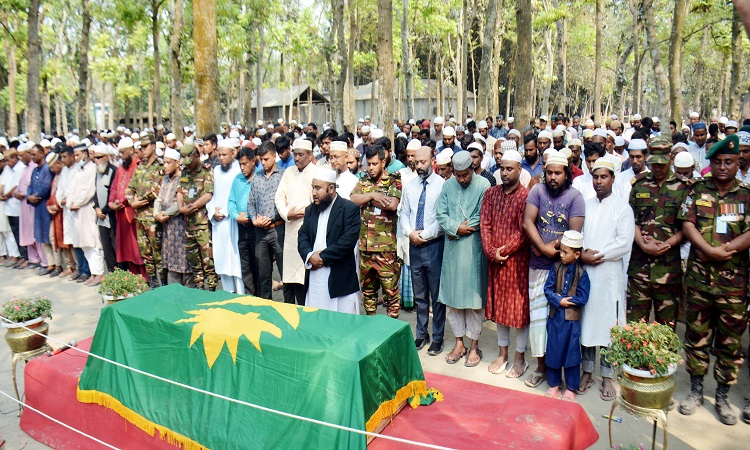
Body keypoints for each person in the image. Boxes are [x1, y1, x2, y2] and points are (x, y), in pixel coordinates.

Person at [677, 135, 750, 425]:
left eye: (729, 162)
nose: (723, 167)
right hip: (698, 280)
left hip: (733, 285)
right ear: (710, 163)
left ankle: (722, 397)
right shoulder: (697, 190)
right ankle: (696, 390)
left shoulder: (746, 194)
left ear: (737, 163)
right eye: (717, 162)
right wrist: (708, 250)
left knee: (730, 342)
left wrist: (727, 251)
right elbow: (687, 223)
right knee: (696, 336)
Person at [523, 151, 585, 388]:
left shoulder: (575, 197)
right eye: (549, 172)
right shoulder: (537, 190)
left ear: (566, 174)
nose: (552, 177)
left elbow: (573, 233)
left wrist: (552, 248)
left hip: (565, 268)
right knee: (538, 319)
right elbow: (528, 221)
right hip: (538, 266)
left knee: (562, 322)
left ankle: (563, 373)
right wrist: (541, 248)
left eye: (557, 173)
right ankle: (541, 367)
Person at [579, 157, 634, 401]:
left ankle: (608, 377)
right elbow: (576, 233)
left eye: (604, 177)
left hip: (609, 273)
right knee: (587, 324)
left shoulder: (622, 207)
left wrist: (596, 255)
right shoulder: (586, 205)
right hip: (587, 273)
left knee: (609, 327)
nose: (599, 181)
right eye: (596, 176)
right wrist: (582, 254)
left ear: (613, 178)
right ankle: (587, 372)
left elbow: (624, 243)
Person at [627, 136, 687, 326]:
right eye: (654, 164)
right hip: (640, 269)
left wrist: (666, 244)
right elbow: (631, 220)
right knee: (636, 328)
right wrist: (643, 244)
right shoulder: (639, 185)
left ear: (670, 159)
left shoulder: (684, 187)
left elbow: (687, 226)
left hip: (668, 269)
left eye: (662, 164)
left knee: (666, 329)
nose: (658, 168)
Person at [437, 150, 489, 367]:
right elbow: (440, 213)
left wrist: (463, 228)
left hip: (473, 248)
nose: (461, 179)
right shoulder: (448, 185)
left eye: (465, 175)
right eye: (458, 175)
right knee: (453, 299)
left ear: (472, 169)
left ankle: (474, 345)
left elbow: (482, 214)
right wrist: (455, 227)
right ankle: (459, 342)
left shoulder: (484, 185)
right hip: (452, 249)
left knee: (473, 300)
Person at [481, 149, 531, 378]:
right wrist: (491, 252)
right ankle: (502, 354)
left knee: (519, 311)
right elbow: (485, 225)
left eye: (510, 169)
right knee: (500, 309)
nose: (504, 173)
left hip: (517, 262)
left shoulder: (526, 196)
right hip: (496, 262)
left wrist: (504, 251)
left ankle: (520, 357)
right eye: (502, 168)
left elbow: (524, 230)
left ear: (520, 170)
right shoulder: (491, 194)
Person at [400, 146, 446, 355]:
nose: (418, 166)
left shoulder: (442, 185)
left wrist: (424, 235)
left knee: (436, 296)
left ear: (432, 160)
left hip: (433, 245)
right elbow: (404, 214)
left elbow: (442, 218)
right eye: (416, 163)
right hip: (414, 245)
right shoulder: (409, 186)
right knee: (420, 295)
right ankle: (421, 334)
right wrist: (410, 233)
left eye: (423, 162)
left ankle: (437, 337)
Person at [298, 167, 362, 313]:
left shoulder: (349, 209)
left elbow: (347, 242)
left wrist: (321, 257)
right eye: (312, 188)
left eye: (318, 188)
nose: (313, 192)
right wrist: (309, 256)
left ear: (331, 188)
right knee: (316, 323)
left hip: (340, 280)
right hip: (314, 278)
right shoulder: (310, 210)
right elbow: (302, 236)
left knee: (342, 327)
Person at [351, 144, 403, 317]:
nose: (371, 168)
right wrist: (373, 196)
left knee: (391, 295)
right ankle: (372, 329)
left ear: (383, 161)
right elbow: (352, 198)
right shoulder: (364, 179)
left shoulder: (394, 179)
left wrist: (365, 199)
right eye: (368, 164)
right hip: (365, 249)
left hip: (385, 250)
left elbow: (392, 205)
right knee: (368, 294)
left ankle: (392, 331)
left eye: (374, 164)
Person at [543, 230, 589, 401]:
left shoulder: (582, 273)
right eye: (560, 250)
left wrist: (569, 301)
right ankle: (554, 384)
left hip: (572, 322)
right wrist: (558, 300)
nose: (561, 255)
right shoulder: (555, 268)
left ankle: (571, 387)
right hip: (555, 318)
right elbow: (547, 290)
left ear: (577, 254)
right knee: (554, 351)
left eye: (565, 252)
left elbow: (584, 297)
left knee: (571, 354)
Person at [275, 137, 315, 305]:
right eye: (295, 154)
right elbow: (279, 196)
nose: (297, 158)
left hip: (306, 227)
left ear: (310, 155)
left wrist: (298, 211)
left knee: (304, 275)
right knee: (289, 275)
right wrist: (286, 213)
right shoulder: (288, 172)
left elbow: (315, 200)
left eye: (301, 155)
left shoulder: (316, 172)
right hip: (289, 227)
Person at [177, 141, 217, 291]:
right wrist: (181, 208)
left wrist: (193, 207)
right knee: (193, 258)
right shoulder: (185, 172)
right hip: (188, 224)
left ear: (196, 156)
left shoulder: (206, 170)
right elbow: (180, 191)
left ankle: (212, 288)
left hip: (202, 224)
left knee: (207, 259)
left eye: (189, 161)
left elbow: (208, 194)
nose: (187, 165)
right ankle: (199, 287)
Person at [126, 134, 163, 287]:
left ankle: (164, 283)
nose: (143, 149)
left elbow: (157, 189)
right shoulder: (140, 167)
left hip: (152, 217)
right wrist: (131, 201)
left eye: (146, 146)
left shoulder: (160, 166)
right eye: (141, 147)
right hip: (140, 217)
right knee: (145, 253)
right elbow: (130, 187)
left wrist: (139, 202)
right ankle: (153, 282)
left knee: (158, 252)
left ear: (153, 146)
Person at [249, 140, 285, 298]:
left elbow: (286, 202)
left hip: (278, 229)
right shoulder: (257, 177)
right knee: (264, 275)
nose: (263, 163)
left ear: (274, 156)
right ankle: (267, 309)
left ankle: (289, 308)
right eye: (261, 160)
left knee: (286, 273)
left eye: (266, 159)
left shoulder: (283, 175)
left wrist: (271, 218)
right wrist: (253, 220)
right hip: (260, 232)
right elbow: (250, 202)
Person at [208, 140, 244, 293]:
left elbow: (240, 196)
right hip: (218, 223)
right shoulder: (215, 170)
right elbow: (211, 196)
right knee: (222, 260)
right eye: (219, 154)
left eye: (225, 155)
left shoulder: (239, 170)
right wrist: (212, 212)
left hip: (233, 222)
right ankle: (227, 294)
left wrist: (225, 212)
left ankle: (241, 295)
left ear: (232, 153)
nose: (221, 158)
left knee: (236, 262)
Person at [68, 145, 105, 287]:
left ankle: (99, 273)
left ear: (84, 154)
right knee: (83, 244)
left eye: (78, 155)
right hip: (77, 212)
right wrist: (71, 203)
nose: (76, 159)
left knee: (93, 242)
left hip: (87, 209)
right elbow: (71, 190)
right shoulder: (78, 171)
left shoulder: (92, 169)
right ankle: (93, 273)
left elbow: (90, 190)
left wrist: (77, 202)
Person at [155, 148, 192, 287]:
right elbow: (159, 198)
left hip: (180, 226)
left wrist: (166, 214)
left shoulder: (183, 178)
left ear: (177, 163)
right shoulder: (165, 179)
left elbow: (180, 203)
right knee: (171, 264)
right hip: (167, 228)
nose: (165, 166)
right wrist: (157, 214)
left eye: (168, 163)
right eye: (164, 163)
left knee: (184, 264)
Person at [228, 146, 258, 294]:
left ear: (253, 161)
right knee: (245, 265)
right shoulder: (237, 179)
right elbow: (231, 201)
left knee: (258, 263)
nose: (242, 167)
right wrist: (236, 216)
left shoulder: (260, 176)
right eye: (240, 164)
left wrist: (248, 216)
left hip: (256, 228)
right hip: (241, 227)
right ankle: (250, 294)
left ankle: (261, 297)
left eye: (245, 164)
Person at [16, 143, 45, 270]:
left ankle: (43, 260)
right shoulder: (25, 169)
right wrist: (17, 193)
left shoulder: (35, 168)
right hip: (25, 204)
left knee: (35, 232)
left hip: (33, 205)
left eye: (22, 155)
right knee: (26, 232)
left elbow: (35, 186)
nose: (21, 158)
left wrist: (28, 196)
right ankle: (33, 259)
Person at [27, 145, 54, 276]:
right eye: (31, 155)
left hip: (45, 205)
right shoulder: (34, 170)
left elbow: (46, 187)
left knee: (50, 236)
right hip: (37, 207)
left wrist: (35, 196)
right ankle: (48, 263)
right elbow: (30, 186)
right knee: (41, 236)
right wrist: (29, 196)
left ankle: (56, 264)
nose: (32, 157)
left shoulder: (47, 169)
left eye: (34, 154)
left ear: (42, 153)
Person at [92, 144, 118, 273]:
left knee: (115, 248)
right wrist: (96, 208)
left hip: (111, 217)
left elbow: (114, 195)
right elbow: (95, 193)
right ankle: (112, 276)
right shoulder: (96, 172)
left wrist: (104, 210)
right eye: (95, 158)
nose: (96, 160)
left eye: (99, 157)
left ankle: (121, 276)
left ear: (106, 157)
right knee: (106, 249)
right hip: (101, 218)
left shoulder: (114, 171)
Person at [0, 149, 24, 268]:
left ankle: (22, 256)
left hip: (17, 206)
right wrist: (1, 194)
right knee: (14, 232)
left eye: (8, 160)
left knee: (19, 232)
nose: (6, 162)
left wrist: (7, 196)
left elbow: (17, 185)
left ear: (15, 158)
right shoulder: (7, 169)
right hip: (8, 207)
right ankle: (18, 255)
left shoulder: (21, 168)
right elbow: (3, 183)